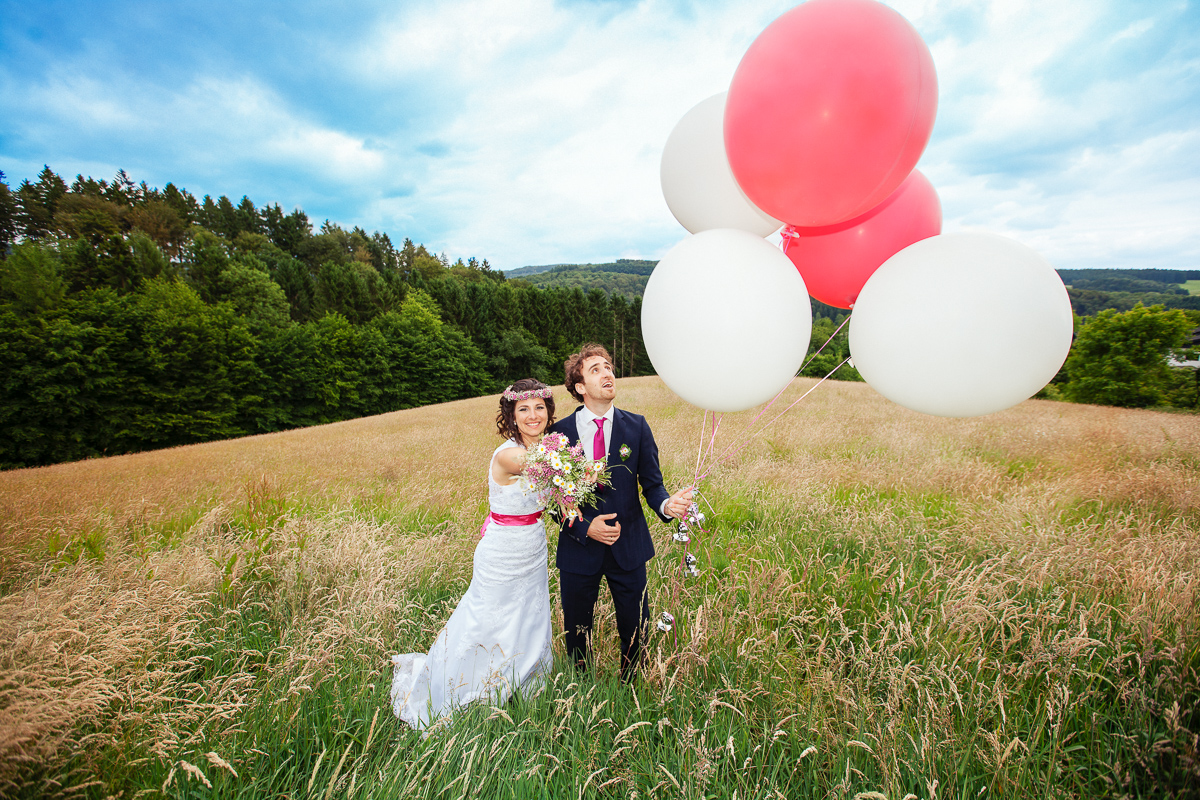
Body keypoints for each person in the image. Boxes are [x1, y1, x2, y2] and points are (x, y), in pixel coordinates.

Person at [390, 378, 555, 731]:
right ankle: (457, 689)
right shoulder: (511, 454)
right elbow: (549, 467)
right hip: (502, 552)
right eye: (523, 409)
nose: (533, 415)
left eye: (539, 407)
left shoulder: (547, 449)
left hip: (533, 546)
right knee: (486, 619)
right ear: (510, 416)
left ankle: (522, 684)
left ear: (548, 411)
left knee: (530, 616)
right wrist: (589, 465)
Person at [547, 344, 692, 681]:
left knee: (635, 628)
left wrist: (667, 505)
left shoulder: (637, 427)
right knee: (577, 631)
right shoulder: (559, 434)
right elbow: (554, 501)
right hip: (579, 551)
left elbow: (653, 485)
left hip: (628, 549)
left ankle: (630, 689)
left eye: (609, 367)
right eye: (595, 369)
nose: (607, 373)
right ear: (580, 386)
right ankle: (581, 691)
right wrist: (585, 529)